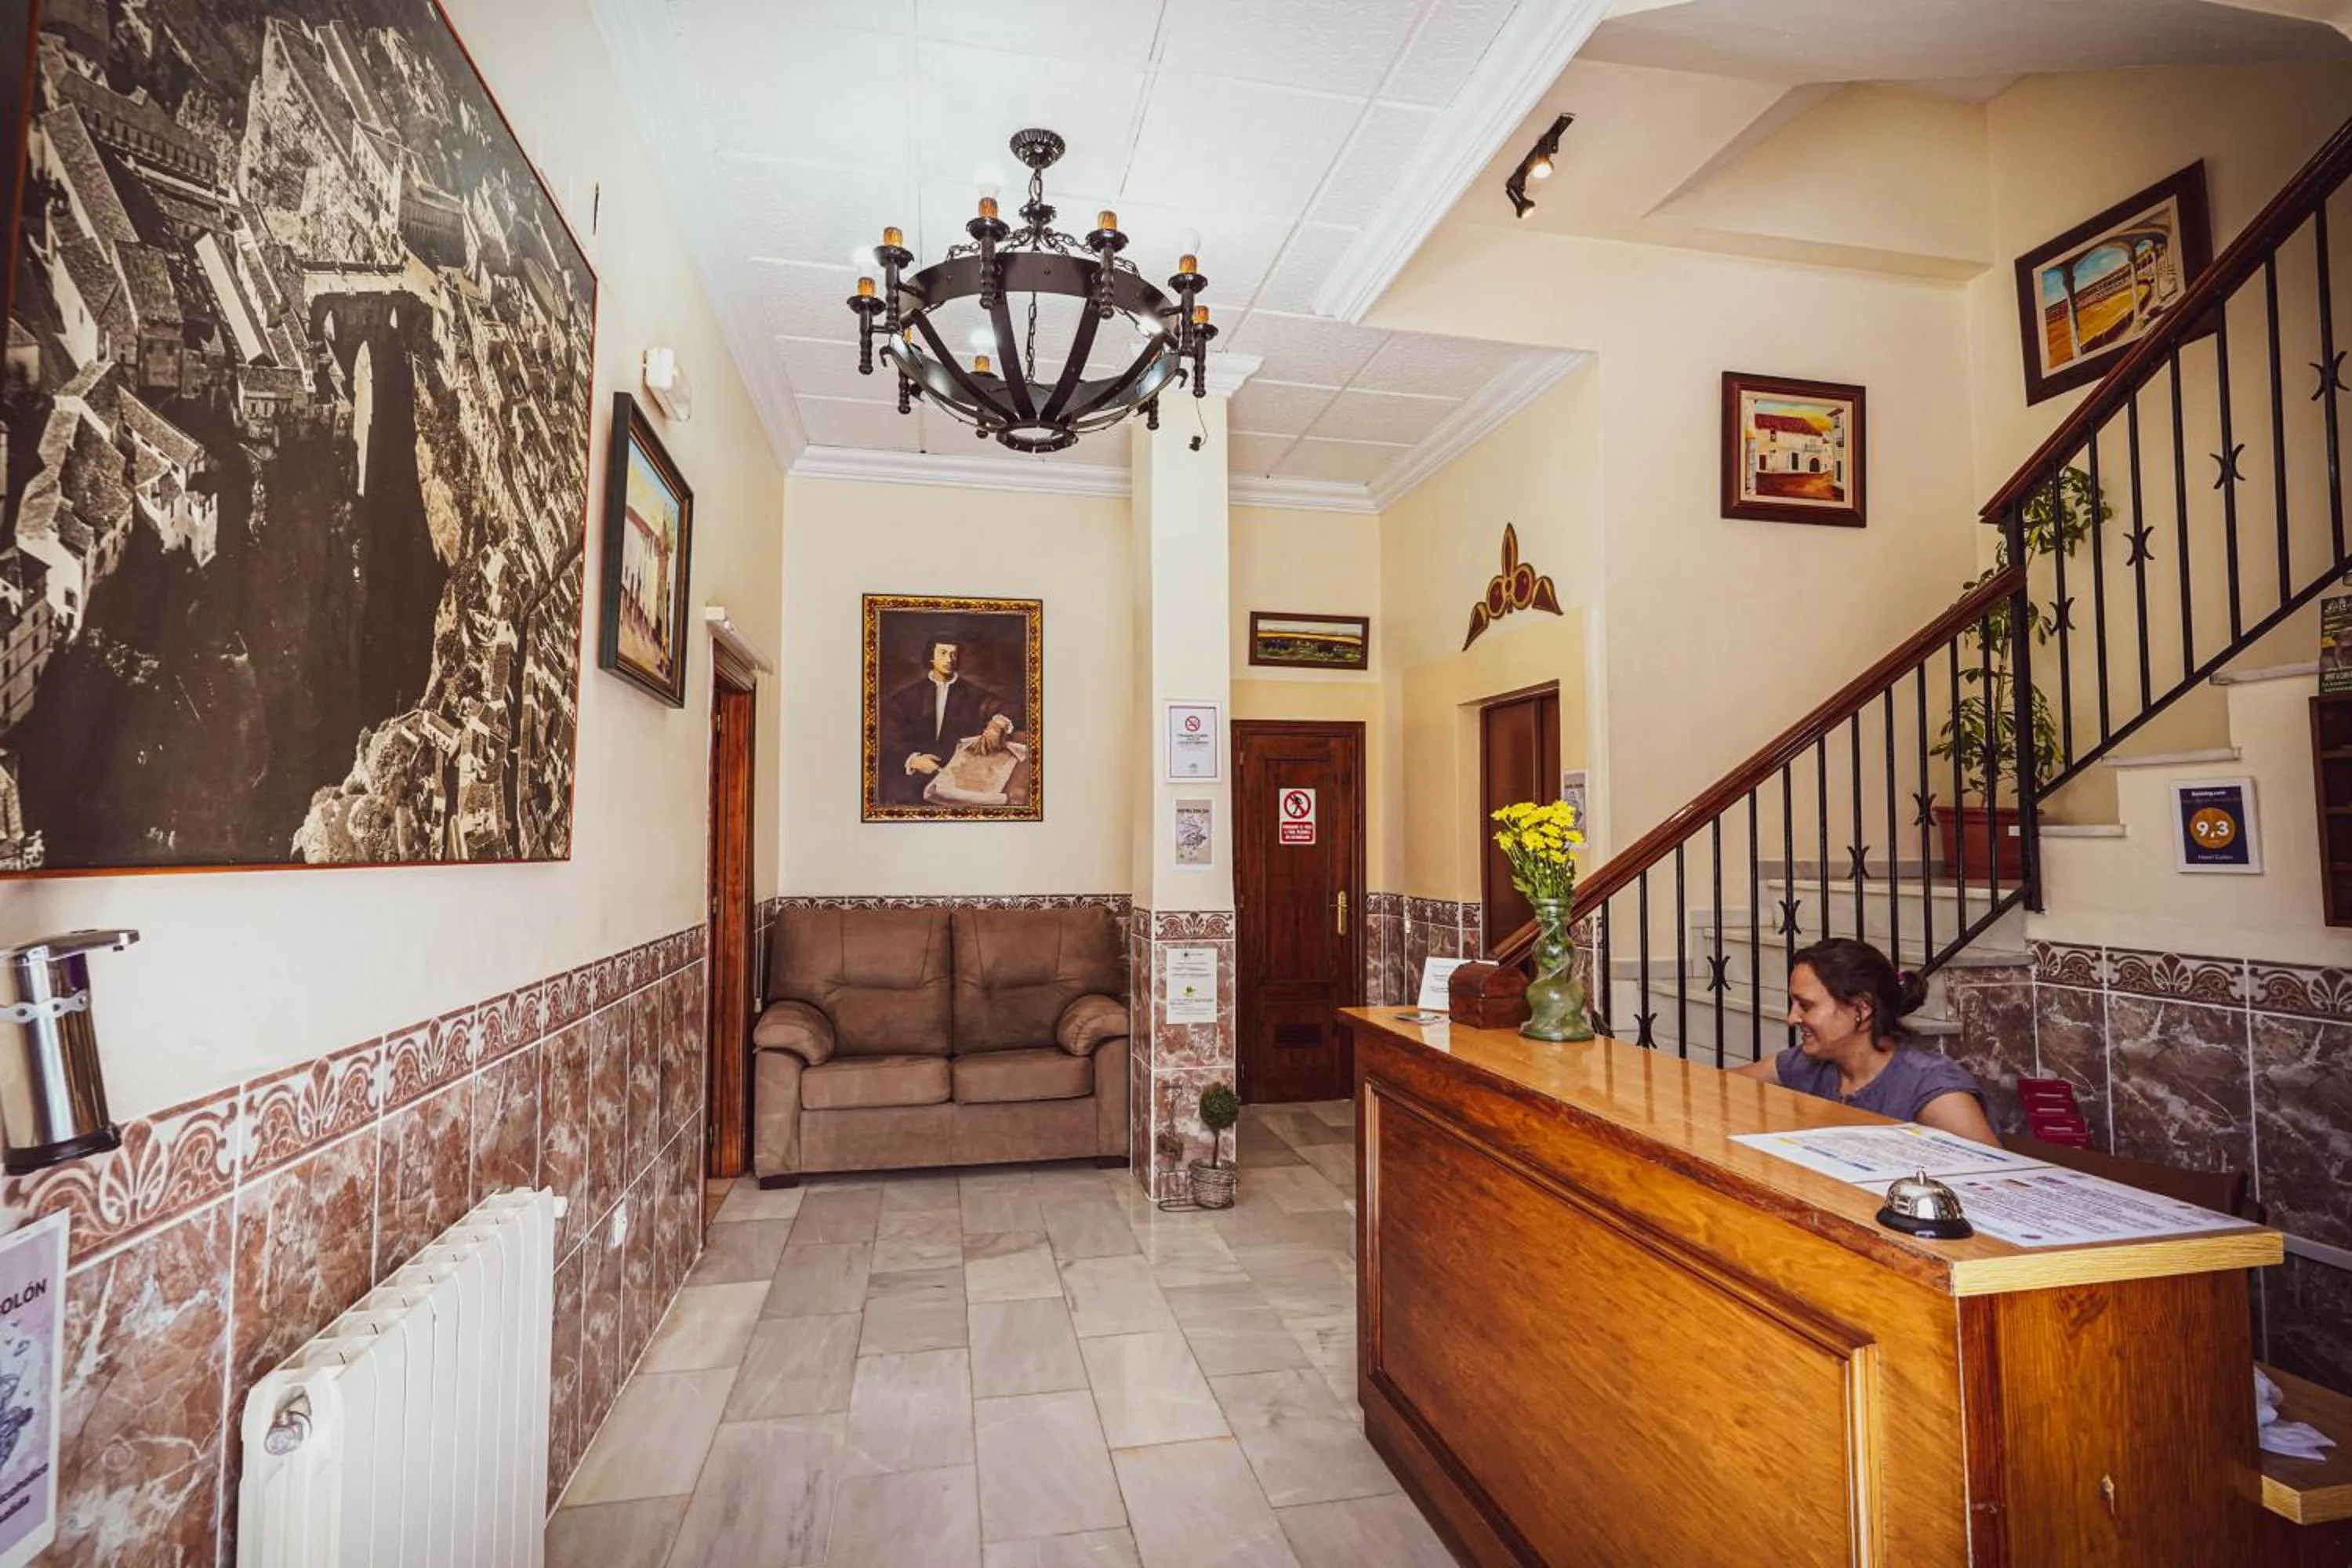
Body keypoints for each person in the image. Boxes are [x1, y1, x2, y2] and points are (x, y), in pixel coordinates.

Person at [1733, 936, 1998, 1145]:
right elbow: (1718, 1085)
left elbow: (1997, 1187)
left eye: (1805, 1005)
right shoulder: (1805, 1064)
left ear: (1862, 1009)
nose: (1792, 1018)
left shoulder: (1935, 1091)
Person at [878, 633, 1021, 806]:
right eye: (943, 653)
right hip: (914, 778)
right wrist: (913, 760)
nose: (950, 659)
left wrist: (998, 723)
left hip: (959, 779)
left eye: (954, 654)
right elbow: (888, 740)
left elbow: (1011, 708)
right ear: (931, 657)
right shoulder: (906, 698)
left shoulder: (972, 694)